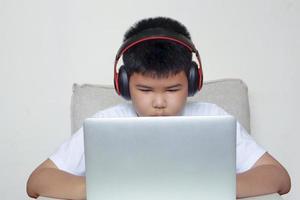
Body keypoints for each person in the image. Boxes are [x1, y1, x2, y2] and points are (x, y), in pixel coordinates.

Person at [26, 17, 291, 200]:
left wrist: (216, 187)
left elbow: (279, 178)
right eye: (145, 90)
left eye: (173, 90)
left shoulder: (213, 118)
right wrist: (97, 188)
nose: (160, 102)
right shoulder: (106, 122)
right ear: (124, 84)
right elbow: (37, 182)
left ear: (192, 82)